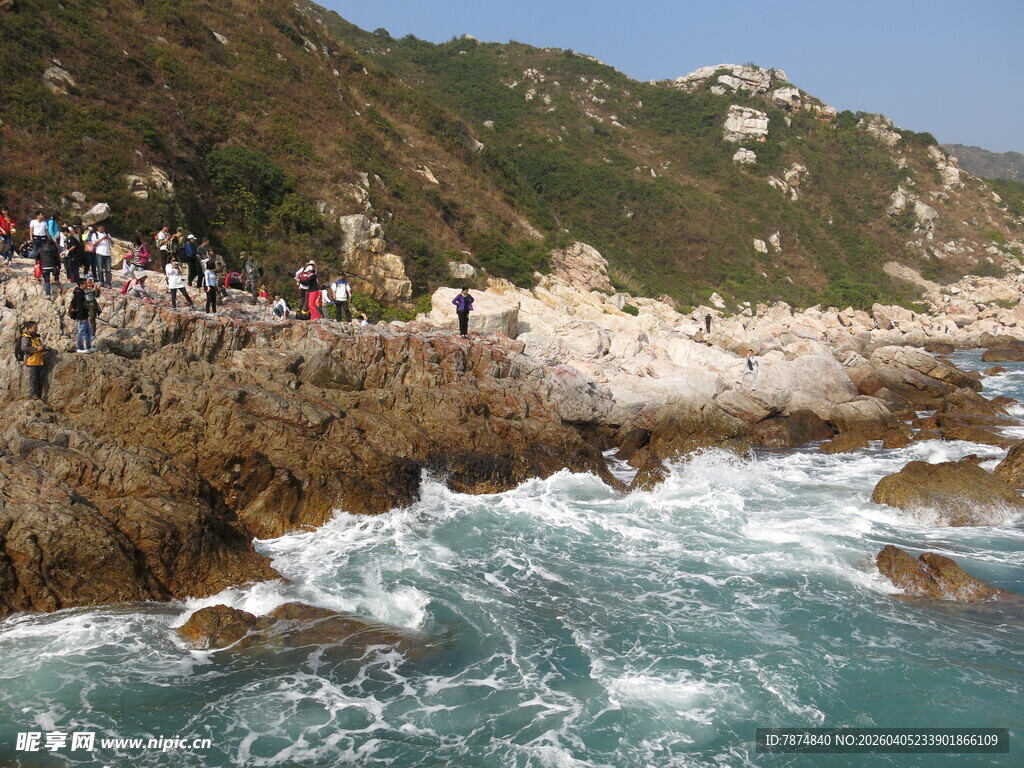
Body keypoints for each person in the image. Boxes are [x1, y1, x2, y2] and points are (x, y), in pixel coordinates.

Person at [19, 321, 49, 399]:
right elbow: (24, 348)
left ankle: (38, 394)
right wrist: (37, 349)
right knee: (33, 378)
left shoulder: (35, 337)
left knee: (39, 378)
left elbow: (39, 346)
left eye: (36, 327)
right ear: (29, 328)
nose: (36, 329)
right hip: (31, 360)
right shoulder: (26, 337)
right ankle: (33, 394)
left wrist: (44, 348)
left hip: (38, 360)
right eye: (35, 327)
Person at [69, 278, 95, 353]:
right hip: (81, 316)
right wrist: (82, 317)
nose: (86, 285)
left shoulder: (81, 292)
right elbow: (79, 306)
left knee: (89, 331)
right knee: (81, 331)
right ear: (81, 285)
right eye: (85, 283)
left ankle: (88, 346)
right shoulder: (78, 294)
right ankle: (80, 347)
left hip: (84, 316)